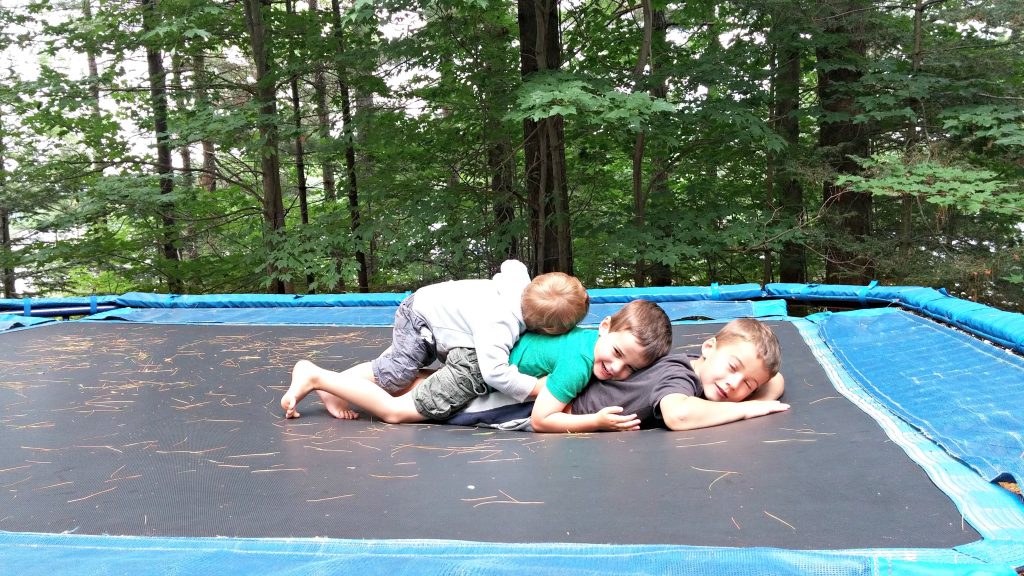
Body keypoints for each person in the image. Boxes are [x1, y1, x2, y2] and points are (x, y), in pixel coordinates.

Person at [281, 299, 673, 432]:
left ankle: (330, 385)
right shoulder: (580, 362)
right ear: (606, 326)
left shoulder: (589, 338)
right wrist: (596, 422)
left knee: (411, 383)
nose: (616, 370)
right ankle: (316, 374)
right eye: (618, 354)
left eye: (629, 370)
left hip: (479, 350)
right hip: (476, 368)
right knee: (397, 412)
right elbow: (542, 420)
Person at [281, 261, 589, 420]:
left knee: (394, 370)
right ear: (547, 330)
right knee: (396, 373)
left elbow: (512, 264)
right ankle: (319, 378)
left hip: (439, 307)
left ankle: (330, 383)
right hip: (423, 318)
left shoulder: (520, 282)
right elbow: (494, 371)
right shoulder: (501, 323)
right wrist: (534, 388)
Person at [568, 318, 789, 431]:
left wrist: (755, 390)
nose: (733, 384)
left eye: (749, 384)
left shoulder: (704, 367)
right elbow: (678, 415)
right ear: (708, 348)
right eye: (732, 367)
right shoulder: (680, 376)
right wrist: (746, 408)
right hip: (567, 412)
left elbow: (776, 380)